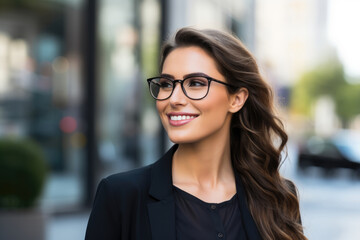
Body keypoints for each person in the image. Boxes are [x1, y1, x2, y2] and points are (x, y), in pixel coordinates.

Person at [85, 27, 307, 240]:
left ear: (236, 99)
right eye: (166, 84)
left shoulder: (275, 197)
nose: (174, 99)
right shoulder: (120, 196)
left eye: (196, 83)